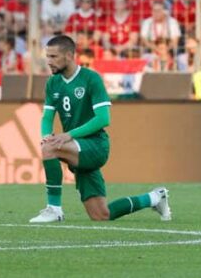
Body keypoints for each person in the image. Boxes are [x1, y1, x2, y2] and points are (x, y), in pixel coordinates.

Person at [28, 34, 172, 223]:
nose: (49, 61)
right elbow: (47, 117)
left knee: (49, 148)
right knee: (101, 215)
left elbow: (103, 119)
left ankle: (54, 210)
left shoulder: (91, 78)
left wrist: (67, 135)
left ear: (69, 55)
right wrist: (46, 136)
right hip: (76, 149)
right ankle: (154, 198)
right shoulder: (53, 83)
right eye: (47, 56)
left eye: (53, 56)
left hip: (95, 146)